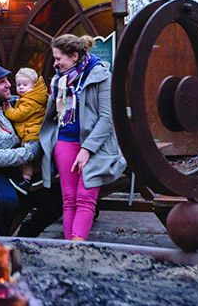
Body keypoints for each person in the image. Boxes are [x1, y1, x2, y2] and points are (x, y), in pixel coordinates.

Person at [39, 34, 126, 241]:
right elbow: (53, 114)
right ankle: (71, 250)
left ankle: (78, 248)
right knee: (69, 199)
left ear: (75, 56)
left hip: (95, 146)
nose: (55, 63)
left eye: (59, 59)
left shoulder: (101, 76)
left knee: (86, 197)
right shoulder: (58, 81)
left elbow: (107, 118)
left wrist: (87, 149)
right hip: (65, 142)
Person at [0, 64, 62, 236]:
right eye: (2, 82)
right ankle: (2, 240)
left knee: (58, 201)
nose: (9, 84)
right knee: (8, 200)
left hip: (19, 171)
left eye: (7, 80)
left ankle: (26, 237)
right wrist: (31, 151)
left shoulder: (15, 103)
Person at [4, 67, 47, 193]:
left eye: (25, 84)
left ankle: (26, 180)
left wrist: (7, 110)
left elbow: (19, 115)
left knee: (26, 159)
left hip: (31, 135)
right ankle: (35, 178)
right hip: (33, 133)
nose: (21, 87)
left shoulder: (30, 101)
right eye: (18, 85)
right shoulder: (33, 97)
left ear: (34, 85)